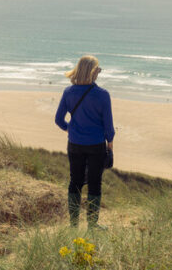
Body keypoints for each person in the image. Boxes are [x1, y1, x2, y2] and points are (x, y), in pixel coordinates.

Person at [54, 55, 115, 229]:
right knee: (95, 183)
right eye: (98, 69)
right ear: (91, 71)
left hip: (74, 144)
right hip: (96, 145)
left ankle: (73, 225)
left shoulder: (68, 92)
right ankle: (92, 225)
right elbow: (109, 127)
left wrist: (71, 130)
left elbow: (59, 120)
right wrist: (110, 145)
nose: (99, 72)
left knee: (75, 181)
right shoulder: (102, 95)